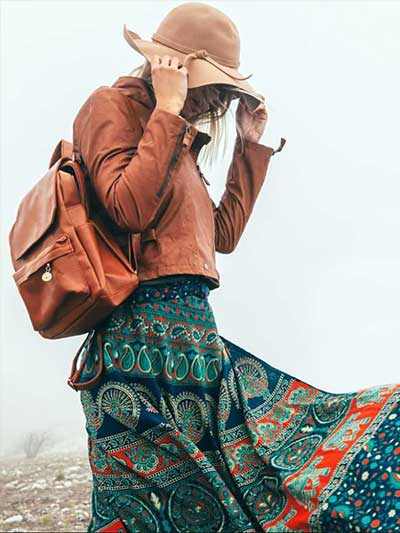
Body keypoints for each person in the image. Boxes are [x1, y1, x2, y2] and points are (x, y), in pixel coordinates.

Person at [71, 4, 400, 533]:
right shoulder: (112, 109)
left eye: (222, 91)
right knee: (155, 510)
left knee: (241, 488)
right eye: (212, 87)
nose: (217, 101)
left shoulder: (175, 135)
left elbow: (219, 237)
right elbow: (126, 209)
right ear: (168, 70)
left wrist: (248, 148)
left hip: (195, 340)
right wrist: (171, 109)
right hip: (137, 342)